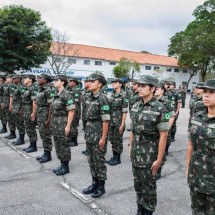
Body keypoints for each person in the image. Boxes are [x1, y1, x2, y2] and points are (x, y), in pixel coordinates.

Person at [129, 75, 170, 215]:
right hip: (136, 154)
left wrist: (159, 160)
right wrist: (131, 147)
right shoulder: (135, 106)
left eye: (143, 86)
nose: (138, 88)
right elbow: (133, 131)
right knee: (138, 185)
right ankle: (140, 209)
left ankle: (148, 211)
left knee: (149, 187)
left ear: (152, 88)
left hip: (150, 156)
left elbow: (163, 136)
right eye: (138, 85)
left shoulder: (160, 108)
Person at [186, 79, 215, 215]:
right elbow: (191, 144)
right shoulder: (196, 117)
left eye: (212, 92)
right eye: (205, 92)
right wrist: (187, 168)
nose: (206, 95)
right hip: (196, 175)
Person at [82, 72, 110, 198]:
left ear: (100, 84)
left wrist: (103, 138)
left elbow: (106, 120)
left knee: (99, 161)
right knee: (91, 160)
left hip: (98, 134)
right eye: (90, 81)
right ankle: (94, 183)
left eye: (93, 81)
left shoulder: (102, 98)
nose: (90, 83)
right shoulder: (89, 97)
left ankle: (101, 186)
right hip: (89, 133)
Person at [50, 75, 75, 176]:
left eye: (57, 80)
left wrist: (68, 126)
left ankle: (66, 166)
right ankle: (61, 164)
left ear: (63, 82)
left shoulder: (67, 95)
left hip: (63, 122)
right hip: (55, 123)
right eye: (54, 80)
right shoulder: (56, 94)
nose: (54, 82)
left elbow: (71, 110)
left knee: (64, 145)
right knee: (58, 144)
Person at [154, 81, 175, 179]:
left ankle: (159, 169)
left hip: (164, 130)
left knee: (161, 152)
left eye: (157, 89)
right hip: (154, 130)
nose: (155, 90)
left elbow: (171, 116)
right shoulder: (152, 100)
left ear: (162, 90)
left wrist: (167, 128)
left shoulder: (166, 102)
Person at [107, 78, 128, 165]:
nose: (113, 84)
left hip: (119, 121)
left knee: (118, 140)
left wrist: (122, 124)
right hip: (112, 121)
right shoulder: (113, 93)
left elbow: (125, 111)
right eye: (113, 83)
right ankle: (114, 156)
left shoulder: (124, 95)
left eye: (115, 83)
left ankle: (118, 158)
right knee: (112, 139)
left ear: (120, 84)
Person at [35, 74, 53, 163]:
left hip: (45, 114)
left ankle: (48, 155)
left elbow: (50, 105)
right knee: (42, 134)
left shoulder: (48, 90)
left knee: (46, 135)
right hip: (40, 112)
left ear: (45, 80)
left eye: (40, 78)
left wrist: (49, 119)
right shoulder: (40, 88)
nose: (38, 79)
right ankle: (45, 153)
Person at [21, 74, 38, 153]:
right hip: (26, 109)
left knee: (31, 128)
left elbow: (34, 102)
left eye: (26, 78)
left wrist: (33, 113)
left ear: (31, 79)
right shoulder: (26, 88)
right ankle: (31, 144)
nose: (24, 79)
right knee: (28, 127)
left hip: (30, 110)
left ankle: (34, 146)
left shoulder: (33, 88)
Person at [11, 74, 26, 145]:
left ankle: (21, 139)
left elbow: (24, 99)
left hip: (19, 109)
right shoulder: (16, 87)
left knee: (20, 124)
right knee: (18, 124)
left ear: (18, 79)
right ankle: (20, 138)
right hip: (15, 108)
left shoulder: (21, 87)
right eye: (13, 78)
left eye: (14, 78)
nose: (13, 80)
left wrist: (21, 110)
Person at [67, 77, 81, 147]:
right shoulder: (70, 89)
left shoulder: (77, 89)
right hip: (70, 109)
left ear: (74, 83)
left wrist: (74, 112)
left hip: (75, 110)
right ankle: (70, 139)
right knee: (71, 125)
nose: (69, 83)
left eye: (71, 81)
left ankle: (74, 141)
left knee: (74, 126)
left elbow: (76, 101)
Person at [3, 74, 16, 139]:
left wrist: (10, 106)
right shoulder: (7, 85)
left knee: (11, 120)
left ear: (11, 78)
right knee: (8, 119)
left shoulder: (11, 86)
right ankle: (11, 133)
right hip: (6, 104)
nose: (6, 78)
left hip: (9, 105)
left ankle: (13, 134)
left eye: (8, 77)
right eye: (6, 77)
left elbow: (11, 97)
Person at [81, 77, 91, 155]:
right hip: (84, 114)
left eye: (87, 82)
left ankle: (90, 149)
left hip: (89, 115)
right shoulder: (84, 91)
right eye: (85, 82)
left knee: (90, 133)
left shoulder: (92, 92)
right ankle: (87, 148)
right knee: (86, 133)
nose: (85, 83)